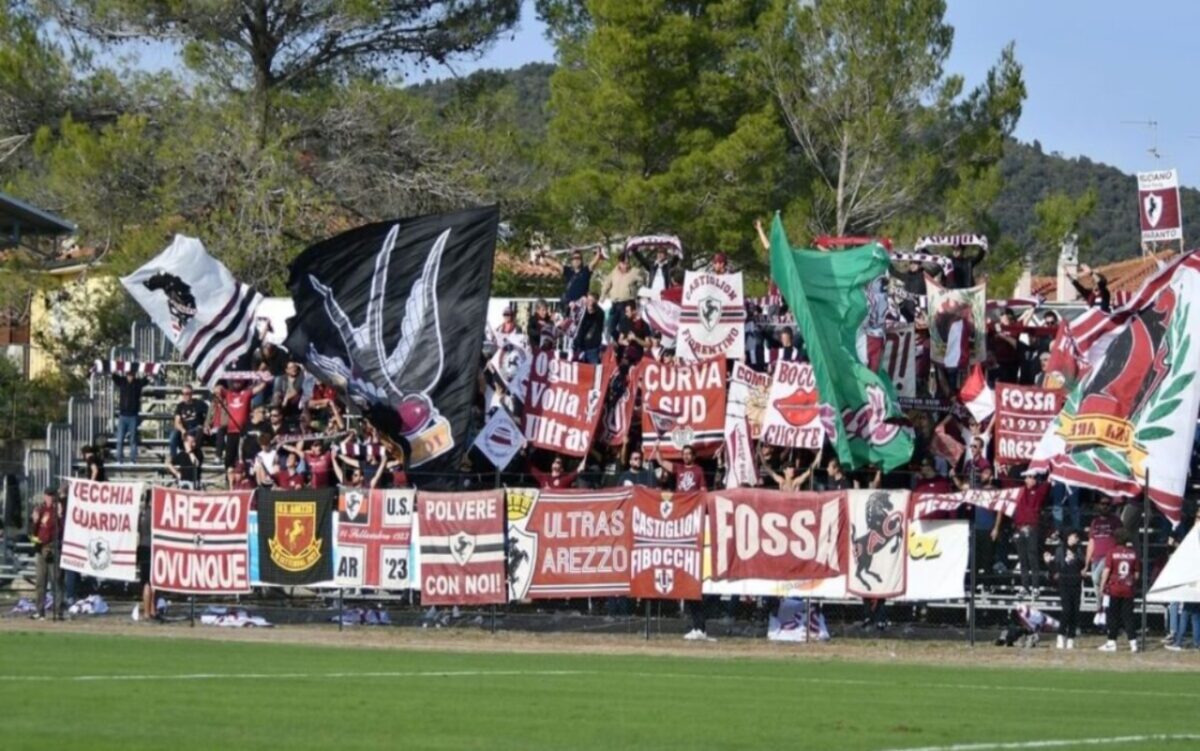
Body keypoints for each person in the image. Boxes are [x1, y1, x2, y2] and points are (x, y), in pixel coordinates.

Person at [994, 471, 1048, 596]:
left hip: (1032, 528)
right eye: (1029, 477)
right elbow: (1007, 483)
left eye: (1033, 477)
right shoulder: (1019, 491)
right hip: (1019, 528)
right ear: (1025, 479)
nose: (1031, 479)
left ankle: (1035, 587)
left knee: (1032, 558)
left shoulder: (1038, 492)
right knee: (1023, 560)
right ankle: (1025, 587)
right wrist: (1002, 470)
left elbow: (1047, 485)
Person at [1097, 528, 1140, 652]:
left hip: (1115, 587)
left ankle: (1112, 642)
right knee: (1128, 616)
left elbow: (1106, 570)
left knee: (1113, 615)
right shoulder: (1133, 553)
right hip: (1128, 588)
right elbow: (1137, 574)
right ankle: (1133, 643)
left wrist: (1102, 585)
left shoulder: (1112, 552)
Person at [1085, 497, 1121, 627]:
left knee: (1096, 578)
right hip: (1096, 558)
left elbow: (1120, 538)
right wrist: (1086, 564)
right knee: (1098, 589)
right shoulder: (1095, 522)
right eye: (1102, 504)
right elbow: (1091, 543)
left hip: (1109, 556)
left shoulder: (1115, 521)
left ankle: (1101, 610)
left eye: (1107, 504)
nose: (1105, 506)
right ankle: (1102, 611)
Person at [1046, 529, 1084, 649]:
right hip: (1064, 583)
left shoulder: (1079, 550)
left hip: (1076, 583)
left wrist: (1076, 560)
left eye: (1077, 537)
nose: (1076, 539)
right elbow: (1056, 565)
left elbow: (1082, 564)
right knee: (1066, 610)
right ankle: (1061, 635)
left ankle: (1071, 637)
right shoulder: (1060, 549)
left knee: (1075, 611)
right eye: (1074, 536)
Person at [29, 489, 62, 621]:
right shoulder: (40, 510)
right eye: (47, 495)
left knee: (56, 581)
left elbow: (60, 529)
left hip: (52, 547)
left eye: (51, 495)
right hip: (41, 547)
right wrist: (34, 521)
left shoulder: (56, 511)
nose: (49, 498)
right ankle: (40, 611)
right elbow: (33, 531)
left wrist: (60, 515)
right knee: (40, 582)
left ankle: (58, 610)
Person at [600, 252, 646, 340]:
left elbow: (642, 281)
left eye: (628, 263)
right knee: (610, 327)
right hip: (615, 303)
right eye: (624, 263)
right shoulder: (614, 271)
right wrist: (603, 295)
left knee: (624, 328)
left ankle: (623, 345)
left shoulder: (634, 271)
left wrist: (638, 290)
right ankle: (618, 341)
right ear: (619, 263)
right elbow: (607, 283)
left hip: (627, 303)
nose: (626, 265)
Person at [113, 370, 149, 464]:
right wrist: (114, 369)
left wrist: (149, 373)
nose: (130, 376)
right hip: (122, 415)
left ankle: (133, 459)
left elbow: (146, 380)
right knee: (120, 439)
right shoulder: (122, 381)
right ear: (126, 375)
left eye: (132, 374)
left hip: (133, 416)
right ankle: (119, 460)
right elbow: (114, 377)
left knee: (133, 439)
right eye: (129, 374)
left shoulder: (137, 383)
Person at [168, 385, 207, 459]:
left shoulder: (199, 403)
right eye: (184, 394)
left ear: (192, 393)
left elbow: (210, 413)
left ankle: (191, 454)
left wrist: (206, 424)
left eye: (188, 393)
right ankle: (174, 457)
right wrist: (182, 430)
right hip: (185, 429)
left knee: (198, 429)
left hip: (196, 429)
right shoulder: (180, 406)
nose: (186, 396)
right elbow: (177, 422)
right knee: (173, 435)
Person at [573, 291, 605, 364]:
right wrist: (576, 304)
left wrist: (590, 307)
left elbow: (592, 313)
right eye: (588, 300)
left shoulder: (600, 312)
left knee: (593, 369)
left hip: (592, 348)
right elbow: (573, 318)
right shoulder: (582, 310)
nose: (589, 302)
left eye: (592, 300)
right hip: (579, 345)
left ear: (596, 301)